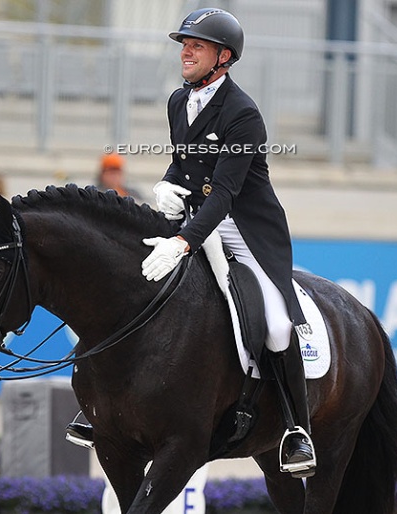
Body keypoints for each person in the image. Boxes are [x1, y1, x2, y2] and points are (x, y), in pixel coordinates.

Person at [67, 8, 316, 478]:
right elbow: (182, 166)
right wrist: (165, 184)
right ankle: (99, 403)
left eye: (196, 45)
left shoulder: (243, 113)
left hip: (242, 229)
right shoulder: (178, 102)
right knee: (121, 281)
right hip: (191, 217)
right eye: (184, 43)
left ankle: (295, 429)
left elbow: (224, 193)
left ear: (223, 57)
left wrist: (182, 242)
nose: (185, 51)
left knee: (278, 325)